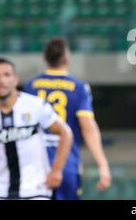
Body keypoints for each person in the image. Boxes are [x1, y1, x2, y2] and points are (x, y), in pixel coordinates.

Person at [0, 58, 73, 199]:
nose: (1, 80)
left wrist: (57, 170)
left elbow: (65, 133)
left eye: (6, 75)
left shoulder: (35, 105)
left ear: (15, 79)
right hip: (2, 192)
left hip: (37, 190)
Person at [24, 37, 111, 200]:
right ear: (67, 58)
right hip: (66, 164)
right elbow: (88, 128)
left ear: (44, 57)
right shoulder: (78, 87)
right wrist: (102, 164)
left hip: (34, 165)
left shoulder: (31, 86)